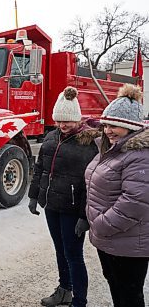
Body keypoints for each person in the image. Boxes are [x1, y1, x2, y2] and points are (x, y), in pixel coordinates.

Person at [28, 87, 99, 307]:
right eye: (58, 121)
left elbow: (91, 184)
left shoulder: (88, 144)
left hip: (72, 209)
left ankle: (80, 300)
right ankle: (64, 290)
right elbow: (40, 169)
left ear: (77, 119)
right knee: (60, 251)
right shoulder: (51, 137)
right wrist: (33, 196)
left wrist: (84, 216)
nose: (62, 125)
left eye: (67, 121)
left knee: (74, 255)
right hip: (52, 206)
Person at [85, 84, 149, 307]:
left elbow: (135, 202)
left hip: (128, 245)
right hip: (111, 239)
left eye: (115, 126)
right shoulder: (111, 149)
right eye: (106, 125)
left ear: (131, 128)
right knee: (117, 289)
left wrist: (101, 224)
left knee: (130, 296)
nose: (108, 130)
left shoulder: (139, 155)